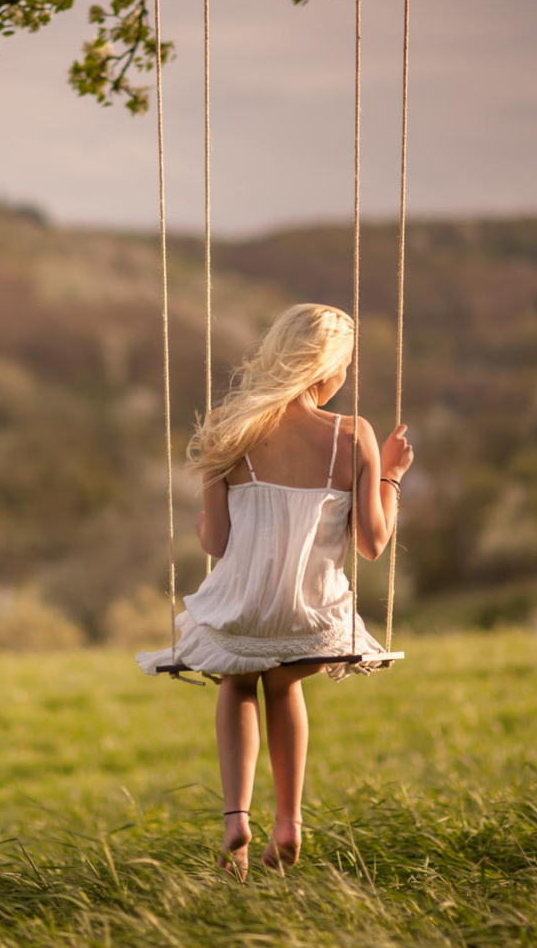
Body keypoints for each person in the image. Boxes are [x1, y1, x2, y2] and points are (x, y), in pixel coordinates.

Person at [136, 303, 414, 879]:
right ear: (328, 368)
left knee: (238, 684)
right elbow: (372, 544)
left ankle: (236, 818)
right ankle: (289, 821)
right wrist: (389, 476)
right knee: (285, 686)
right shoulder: (351, 434)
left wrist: (202, 525)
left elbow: (215, 541)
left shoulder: (227, 427)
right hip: (311, 613)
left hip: (243, 607)